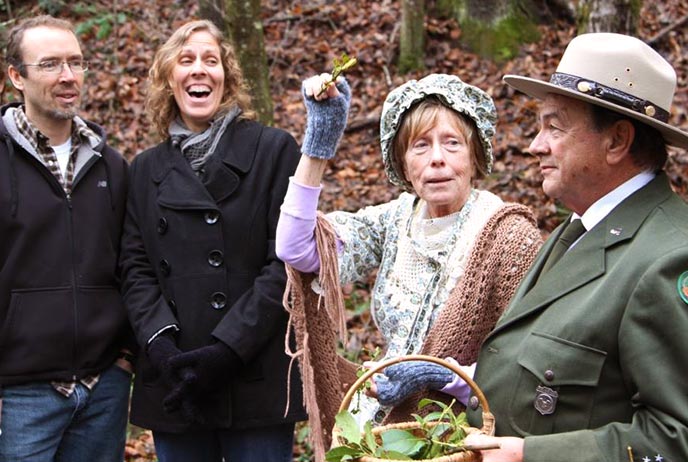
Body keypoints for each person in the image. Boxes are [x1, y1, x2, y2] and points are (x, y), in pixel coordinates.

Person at [275, 73, 542, 459]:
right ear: (402, 162)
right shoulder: (395, 220)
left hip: (463, 442)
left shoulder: (509, 237)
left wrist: (444, 375)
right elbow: (295, 247)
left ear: (475, 156)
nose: (437, 158)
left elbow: (532, 360)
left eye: (452, 143)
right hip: (383, 438)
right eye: (420, 145)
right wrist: (319, 142)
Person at [461, 32, 688, 462]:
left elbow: (676, 438)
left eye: (554, 125)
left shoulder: (669, 258)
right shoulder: (582, 228)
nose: (535, 144)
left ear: (617, 141)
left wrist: (529, 455)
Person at [119, 19, 306, 462]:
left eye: (211, 60)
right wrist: (162, 347)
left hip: (253, 374)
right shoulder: (144, 169)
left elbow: (286, 262)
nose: (199, 69)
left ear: (227, 76)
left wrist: (226, 349)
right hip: (176, 378)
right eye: (186, 60)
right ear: (168, 78)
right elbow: (135, 266)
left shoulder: (274, 150)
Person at [0, 15, 133, 462]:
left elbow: (132, 265)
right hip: (17, 396)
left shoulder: (111, 166)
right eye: (51, 65)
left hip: (103, 388)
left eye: (76, 63)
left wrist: (126, 355)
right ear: (15, 76)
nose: (68, 77)